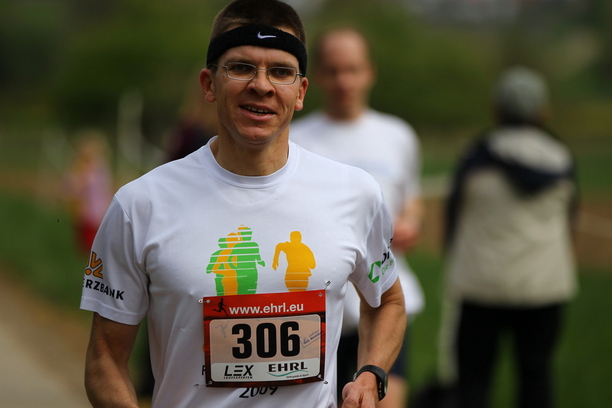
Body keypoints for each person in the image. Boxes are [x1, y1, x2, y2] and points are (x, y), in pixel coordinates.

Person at [80, 1, 406, 408]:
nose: (262, 85)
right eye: (241, 67)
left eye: (281, 72)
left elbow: (388, 301)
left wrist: (371, 374)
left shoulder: (355, 193)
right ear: (209, 84)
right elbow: (105, 357)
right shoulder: (139, 205)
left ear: (301, 92)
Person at [290, 27, 424, 408]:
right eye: (333, 71)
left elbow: (412, 199)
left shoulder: (398, 135)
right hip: (319, 307)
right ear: (316, 78)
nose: (343, 81)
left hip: (384, 300)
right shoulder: (295, 138)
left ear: (370, 73)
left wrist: (411, 222)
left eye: (352, 70)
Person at [442, 66, 578, 408]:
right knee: (536, 376)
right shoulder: (561, 158)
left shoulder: (476, 156)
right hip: (544, 286)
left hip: (481, 285)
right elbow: (570, 222)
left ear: (497, 109)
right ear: (543, 110)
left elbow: (454, 215)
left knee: (473, 382)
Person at [63, 130, 113, 255]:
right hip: (88, 214)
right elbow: (70, 190)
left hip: (96, 213)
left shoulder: (98, 169)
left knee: (94, 247)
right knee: (90, 247)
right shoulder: (83, 170)